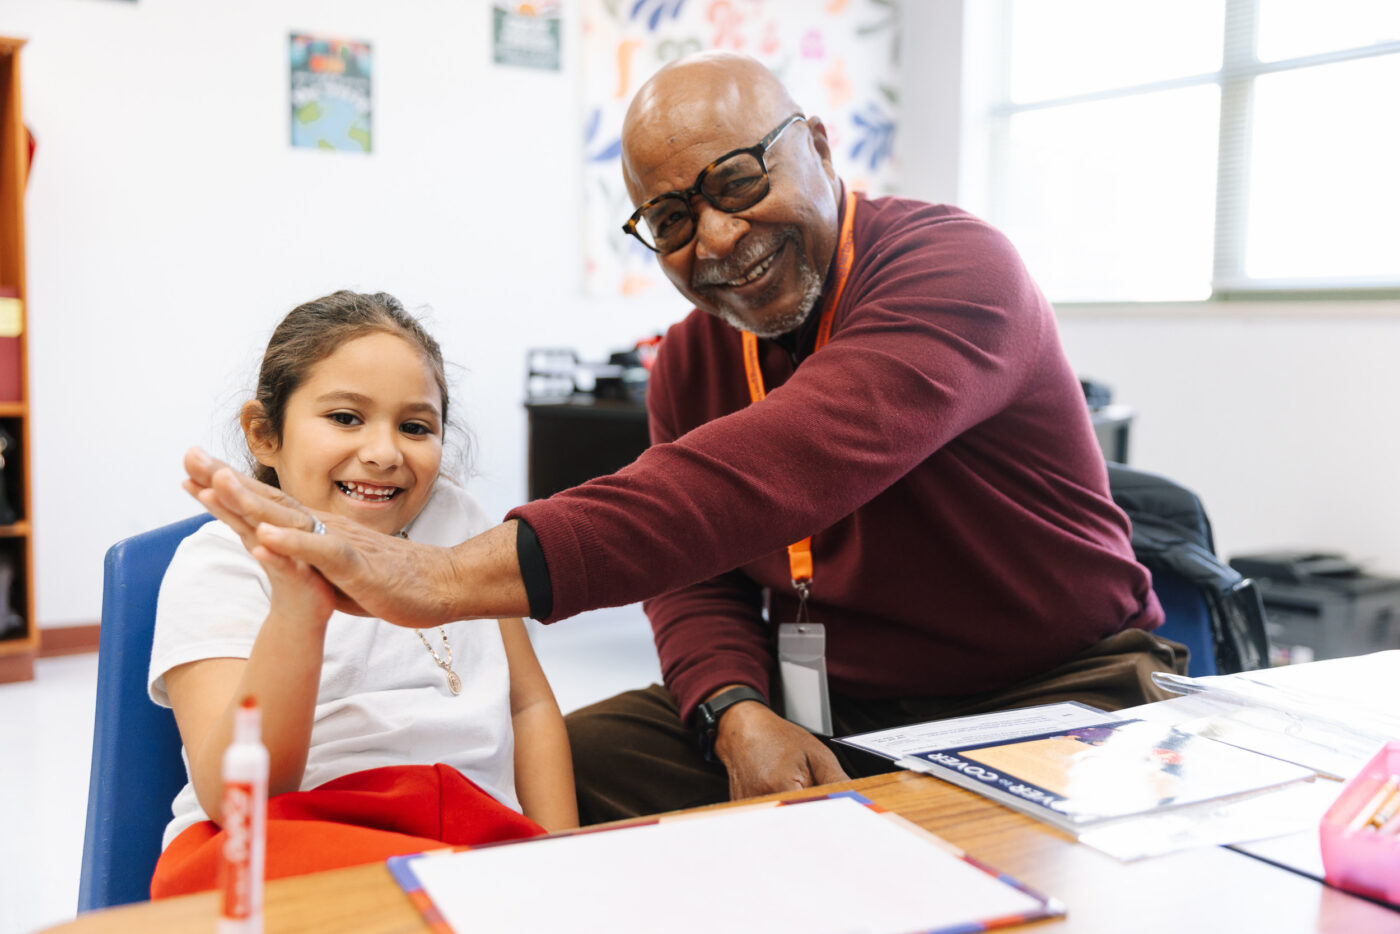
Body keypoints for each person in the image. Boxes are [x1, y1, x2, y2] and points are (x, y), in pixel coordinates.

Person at [184, 53, 1184, 827]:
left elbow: (761, 473)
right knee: (538, 780)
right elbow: (692, 572)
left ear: (822, 147)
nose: (711, 240)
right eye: (667, 216)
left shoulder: (953, 267)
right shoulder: (688, 361)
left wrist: (439, 577)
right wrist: (730, 708)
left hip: (1048, 686)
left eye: (737, 180)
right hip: (827, 703)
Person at [150, 291, 575, 897]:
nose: (382, 453)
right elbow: (235, 797)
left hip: (465, 835)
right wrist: (299, 606)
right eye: (345, 417)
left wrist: (562, 856)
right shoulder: (219, 562)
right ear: (264, 434)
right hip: (280, 837)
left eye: (414, 426)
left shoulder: (462, 525)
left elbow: (526, 708)